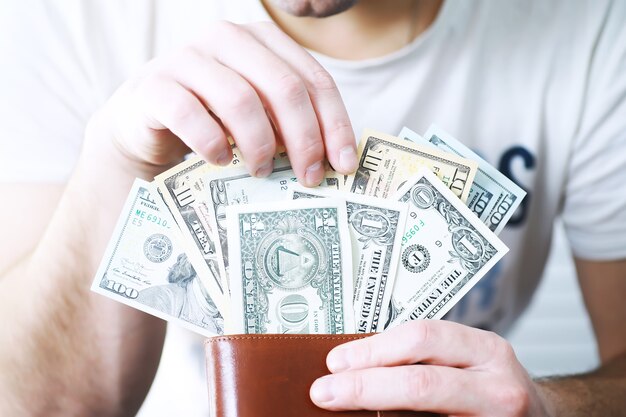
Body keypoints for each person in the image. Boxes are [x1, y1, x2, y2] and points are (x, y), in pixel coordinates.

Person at [1, 0, 625, 415]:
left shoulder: (593, 27)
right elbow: (35, 403)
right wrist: (118, 158)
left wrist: (550, 406)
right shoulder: (70, 17)